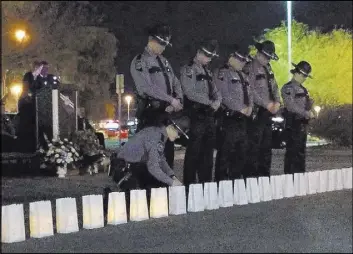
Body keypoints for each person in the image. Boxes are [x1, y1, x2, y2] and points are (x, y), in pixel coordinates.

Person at [130, 23, 183, 169]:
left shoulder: (164, 62)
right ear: (151, 40)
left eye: (165, 44)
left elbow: (176, 82)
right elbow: (146, 88)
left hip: (166, 115)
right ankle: (147, 191)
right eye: (161, 43)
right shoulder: (140, 61)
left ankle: (165, 189)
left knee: (168, 156)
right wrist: (170, 99)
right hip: (150, 115)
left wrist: (177, 100)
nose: (163, 48)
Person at [110, 116, 189, 193]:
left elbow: (161, 159)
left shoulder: (159, 134)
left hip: (131, 166)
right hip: (125, 170)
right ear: (171, 127)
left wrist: (171, 175)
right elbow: (153, 167)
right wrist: (172, 182)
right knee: (157, 188)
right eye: (179, 133)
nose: (178, 136)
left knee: (160, 182)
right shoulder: (155, 138)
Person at [180, 39, 222, 186]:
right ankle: (189, 185)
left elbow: (216, 92)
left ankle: (206, 183)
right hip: (196, 114)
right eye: (207, 56)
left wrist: (216, 103)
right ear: (199, 53)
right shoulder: (189, 69)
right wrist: (209, 102)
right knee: (194, 152)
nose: (209, 59)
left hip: (209, 115)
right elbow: (189, 92)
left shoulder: (208, 72)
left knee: (208, 153)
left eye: (211, 57)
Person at [214, 45, 253, 181]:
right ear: (232, 58)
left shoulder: (243, 76)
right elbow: (223, 95)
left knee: (241, 153)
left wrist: (250, 108)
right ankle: (221, 184)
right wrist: (240, 108)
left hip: (243, 120)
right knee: (225, 153)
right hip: (229, 119)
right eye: (241, 60)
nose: (243, 63)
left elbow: (250, 94)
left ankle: (235, 182)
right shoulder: (222, 73)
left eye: (244, 61)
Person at [243, 40, 281, 178]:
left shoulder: (268, 68)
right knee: (253, 147)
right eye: (265, 56)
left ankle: (264, 176)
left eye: (269, 57)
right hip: (256, 113)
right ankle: (251, 178)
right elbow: (250, 90)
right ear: (258, 54)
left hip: (267, 113)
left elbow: (274, 86)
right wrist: (266, 104)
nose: (267, 59)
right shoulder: (250, 67)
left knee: (266, 147)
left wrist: (277, 101)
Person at [281, 61, 315, 174]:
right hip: (293, 125)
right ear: (297, 73)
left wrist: (311, 109)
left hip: (302, 125)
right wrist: (306, 113)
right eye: (304, 75)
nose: (305, 78)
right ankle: (290, 179)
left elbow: (306, 105)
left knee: (300, 154)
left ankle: (299, 179)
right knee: (292, 154)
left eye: (306, 76)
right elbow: (291, 106)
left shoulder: (303, 89)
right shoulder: (288, 88)